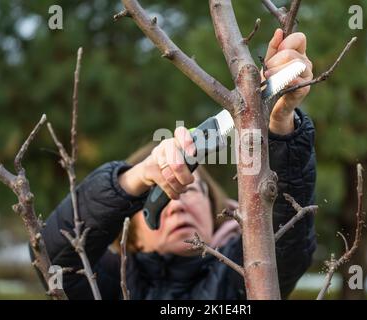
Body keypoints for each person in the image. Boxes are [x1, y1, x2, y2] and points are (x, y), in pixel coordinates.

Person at [36, 29, 316, 299]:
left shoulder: (242, 277)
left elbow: (287, 246)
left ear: (213, 212)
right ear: (132, 237)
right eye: (162, 195)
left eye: (190, 191)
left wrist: (279, 123)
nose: (178, 205)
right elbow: (52, 258)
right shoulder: (107, 286)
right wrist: (136, 178)